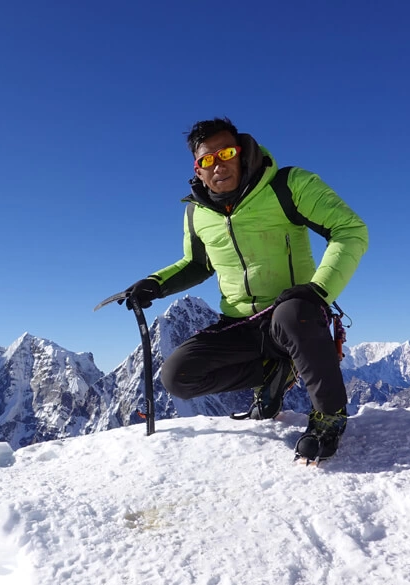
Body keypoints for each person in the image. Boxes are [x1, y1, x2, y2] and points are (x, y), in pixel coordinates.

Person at [119, 117, 368, 462]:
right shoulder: (196, 212)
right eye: (207, 160)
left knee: (293, 313)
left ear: (243, 152)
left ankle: (329, 415)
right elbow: (196, 263)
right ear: (198, 169)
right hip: (239, 324)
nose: (218, 164)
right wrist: (155, 283)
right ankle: (271, 372)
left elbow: (349, 230)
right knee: (178, 376)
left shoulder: (288, 185)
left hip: (296, 314)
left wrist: (317, 290)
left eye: (227, 152)